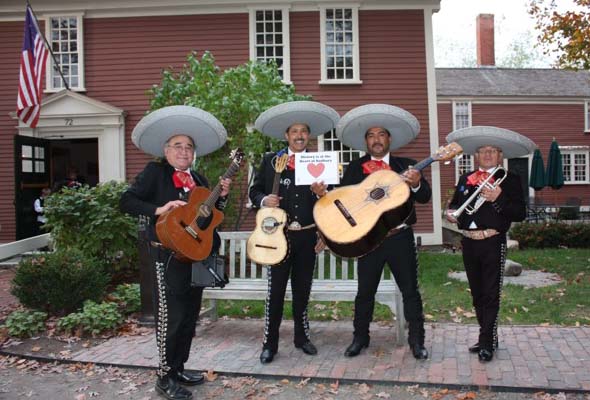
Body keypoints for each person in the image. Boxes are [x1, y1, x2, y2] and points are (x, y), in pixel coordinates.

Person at [120, 105, 232, 400]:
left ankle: (179, 368)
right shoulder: (155, 172)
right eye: (178, 146)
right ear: (167, 150)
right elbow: (127, 201)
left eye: (189, 147)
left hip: (194, 256)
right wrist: (159, 209)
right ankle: (163, 378)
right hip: (166, 257)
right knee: (171, 318)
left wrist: (223, 197)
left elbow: (212, 217)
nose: (184, 151)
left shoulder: (201, 180)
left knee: (189, 317)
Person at [313, 104, 431, 360]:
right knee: (364, 292)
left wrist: (417, 183)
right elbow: (342, 200)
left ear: (389, 139)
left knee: (410, 290)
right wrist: (325, 194)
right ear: (366, 141)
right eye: (371, 135)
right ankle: (360, 338)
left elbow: (425, 197)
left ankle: (417, 341)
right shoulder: (356, 168)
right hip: (369, 240)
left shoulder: (407, 165)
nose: (376, 140)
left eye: (381, 135)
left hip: (399, 237)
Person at [250, 101, 340, 364]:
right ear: (286, 135)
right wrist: (264, 200)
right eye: (294, 131)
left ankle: (302, 338)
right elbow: (253, 192)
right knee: (275, 292)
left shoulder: (320, 163)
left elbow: (333, 202)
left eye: (304, 131)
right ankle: (270, 344)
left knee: (302, 291)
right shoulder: (271, 161)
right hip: (278, 237)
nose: (300, 135)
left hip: (308, 237)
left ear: (308, 136)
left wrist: (325, 229)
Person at [445, 126, 532, 362]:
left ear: (500, 156)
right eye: (483, 151)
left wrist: (498, 198)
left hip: (493, 241)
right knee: (477, 294)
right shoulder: (466, 178)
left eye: (492, 151)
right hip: (469, 243)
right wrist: (451, 214)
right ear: (476, 156)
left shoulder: (510, 179)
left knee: (491, 294)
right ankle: (488, 336)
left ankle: (486, 342)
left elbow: (520, 213)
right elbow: (456, 207)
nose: (487, 155)